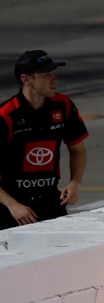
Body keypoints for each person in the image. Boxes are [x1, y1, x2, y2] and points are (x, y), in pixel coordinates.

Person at [0, 51, 88, 225]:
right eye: (46, 74)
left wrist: (75, 182)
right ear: (26, 79)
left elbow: (77, 150)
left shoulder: (63, 106)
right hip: (12, 205)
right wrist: (13, 205)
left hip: (49, 199)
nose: (54, 78)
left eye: (53, 72)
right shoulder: (6, 116)